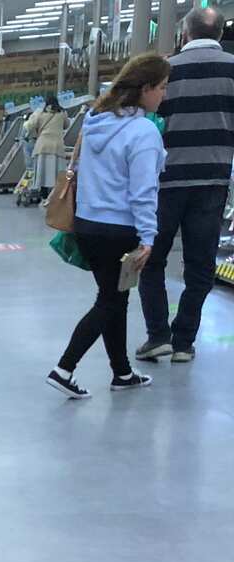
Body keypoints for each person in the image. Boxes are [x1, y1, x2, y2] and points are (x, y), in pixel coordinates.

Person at [47, 54, 169, 398]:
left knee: (115, 298)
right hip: (121, 230)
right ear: (144, 89)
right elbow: (143, 191)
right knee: (110, 302)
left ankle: (122, 373)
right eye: (161, 87)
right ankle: (64, 368)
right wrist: (148, 238)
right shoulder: (143, 131)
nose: (164, 95)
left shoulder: (95, 121)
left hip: (88, 225)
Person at [137, 5, 234, 364]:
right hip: (213, 180)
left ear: (185, 34)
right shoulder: (232, 69)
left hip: (164, 182)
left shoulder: (165, 71)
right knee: (200, 265)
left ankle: (158, 335)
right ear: (221, 34)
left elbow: (146, 123)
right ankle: (184, 341)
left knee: (151, 259)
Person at [25, 95, 67, 199]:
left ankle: (44, 196)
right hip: (57, 146)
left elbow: (29, 125)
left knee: (43, 172)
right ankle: (55, 196)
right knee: (56, 172)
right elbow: (66, 125)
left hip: (42, 145)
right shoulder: (62, 113)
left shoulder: (40, 112)